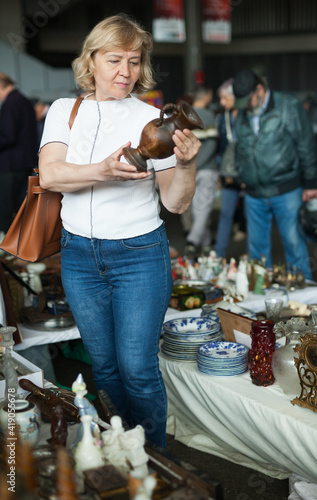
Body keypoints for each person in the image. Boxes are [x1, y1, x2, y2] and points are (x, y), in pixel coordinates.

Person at [38, 14, 200, 448]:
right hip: (78, 256)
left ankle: (154, 464)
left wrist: (185, 164)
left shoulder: (153, 121)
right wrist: (103, 170)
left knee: (138, 370)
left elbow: (176, 202)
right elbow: (51, 175)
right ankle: (120, 451)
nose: (125, 72)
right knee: (105, 368)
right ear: (91, 61)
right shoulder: (63, 111)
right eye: (114, 60)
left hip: (139, 256)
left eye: (134, 60)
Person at [232, 70, 317, 279]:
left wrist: (310, 183)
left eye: (249, 99)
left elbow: (306, 144)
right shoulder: (243, 112)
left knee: (294, 244)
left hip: (287, 188)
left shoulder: (288, 105)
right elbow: (239, 147)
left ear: (260, 89)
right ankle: (260, 301)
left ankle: (303, 298)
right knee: (257, 251)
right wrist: (241, 175)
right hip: (254, 194)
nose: (245, 106)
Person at [0, 73, 38, 234]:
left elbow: (8, 136)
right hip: (24, 163)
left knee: (5, 209)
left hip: (10, 165)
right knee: (20, 207)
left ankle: (9, 248)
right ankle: (20, 248)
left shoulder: (11, 103)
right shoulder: (24, 100)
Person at [183, 85, 219, 255]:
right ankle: (194, 241)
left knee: (198, 209)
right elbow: (212, 145)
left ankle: (203, 243)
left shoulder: (184, 117)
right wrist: (200, 166)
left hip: (190, 169)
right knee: (203, 208)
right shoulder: (209, 115)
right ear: (206, 97)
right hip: (206, 170)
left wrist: (190, 167)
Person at [214, 79, 245, 258]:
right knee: (226, 212)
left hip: (248, 173)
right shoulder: (222, 118)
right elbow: (222, 149)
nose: (222, 102)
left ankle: (257, 259)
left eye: (225, 98)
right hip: (229, 173)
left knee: (251, 214)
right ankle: (218, 254)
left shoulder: (247, 115)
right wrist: (221, 171)